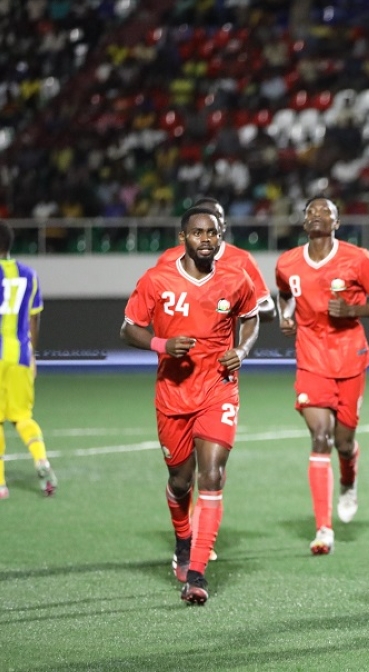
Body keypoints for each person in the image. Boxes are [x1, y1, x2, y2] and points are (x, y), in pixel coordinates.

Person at [121, 206, 260, 604]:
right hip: (173, 395)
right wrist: (162, 345)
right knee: (181, 482)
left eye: (212, 233)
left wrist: (242, 349)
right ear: (183, 236)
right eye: (197, 232)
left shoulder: (236, 279)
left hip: (218, 389)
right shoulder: (157, 279)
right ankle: (183, 540)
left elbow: (251, 318)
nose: (206, 239)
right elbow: (128, 327)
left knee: (212, 475)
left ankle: (197, 572)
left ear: (221, 237)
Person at [275, 197, 369, 555]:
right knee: (319, 436)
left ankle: (349, 477)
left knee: (342, 441)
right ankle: (324, 529)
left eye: (326, 212)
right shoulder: (287, 262)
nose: (318, 216)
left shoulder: (358, 259)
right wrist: (286, 316)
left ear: (337, 222)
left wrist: (353, 308)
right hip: (311, 359)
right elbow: (284, 295)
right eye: (311, 212)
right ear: (304, 222)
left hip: (350, 357)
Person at [0, 221, 56, 500]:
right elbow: (34, 319)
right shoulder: (29, 275)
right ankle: (41, 461)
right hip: (21, 354)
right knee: (23, 417)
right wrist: (31, 354)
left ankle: (0, 484)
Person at [156, 197, 276, 323]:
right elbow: (153, 308)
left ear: (223, 226)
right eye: (204, 215)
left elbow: (268, 309)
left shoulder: (242, 260)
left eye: (216, 216)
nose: (210, 220)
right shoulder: (170, 259)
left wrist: (232, 306)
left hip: (222, 342)